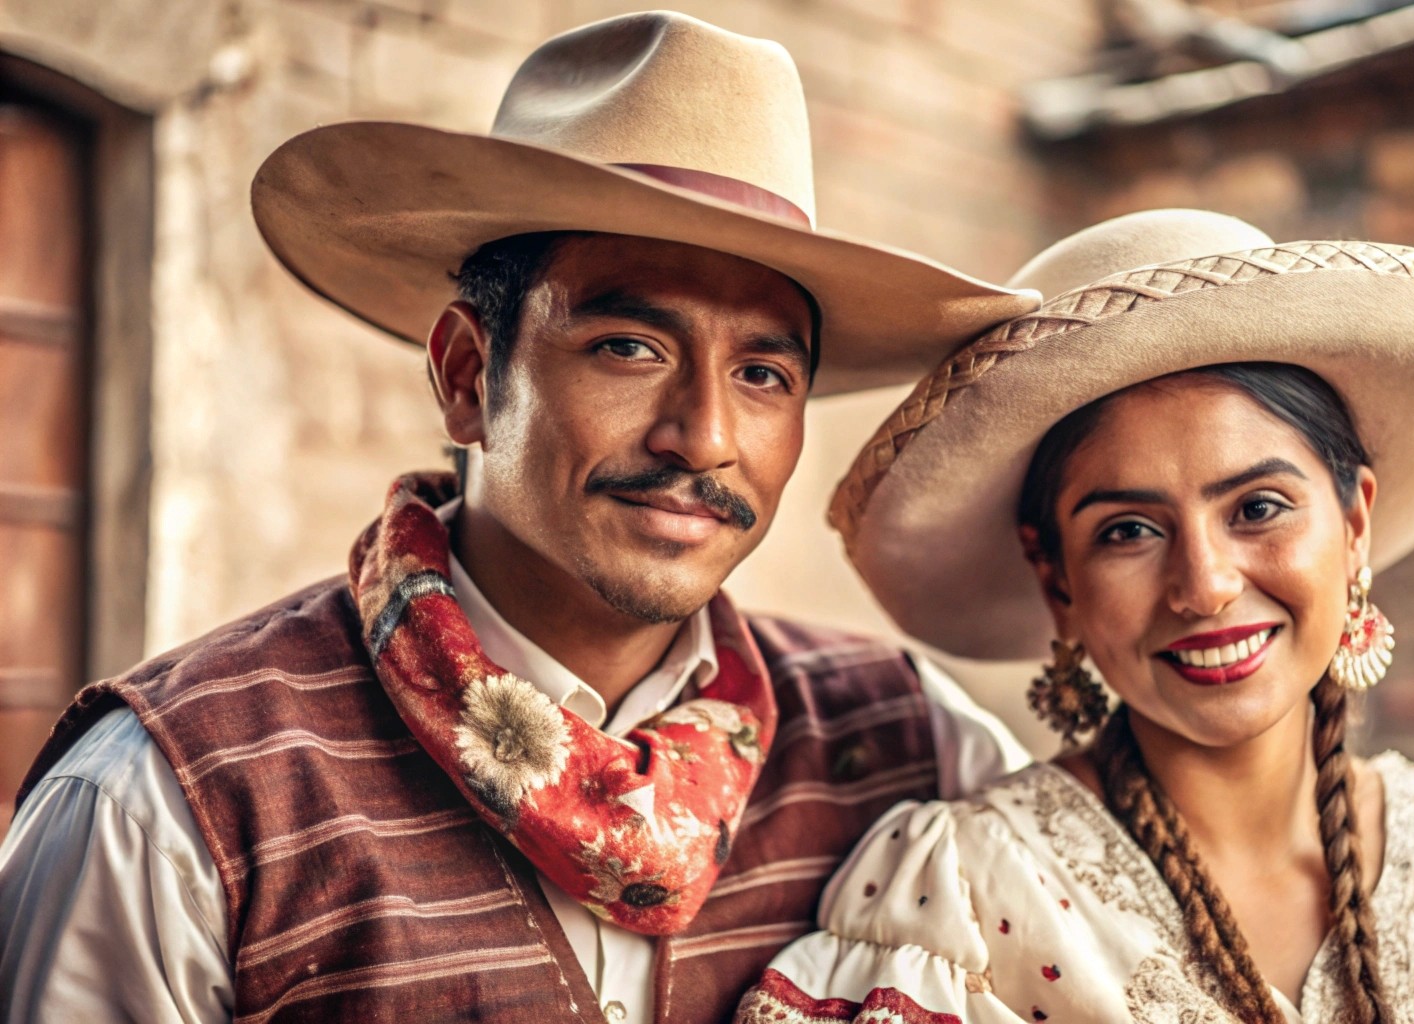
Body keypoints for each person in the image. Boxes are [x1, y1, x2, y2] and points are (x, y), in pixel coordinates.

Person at [0, 13, 1037, 1024]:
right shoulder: (174, 801)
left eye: (763, 373)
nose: (704, 436)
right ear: (465, 375)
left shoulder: (912, 750)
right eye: (629, 346)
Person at [736, 209, 1414, 1023]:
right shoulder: (961, 902)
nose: (1203, 584)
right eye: (1127, 529)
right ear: (1055, 576)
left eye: (1256, 508)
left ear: (1352, 522)